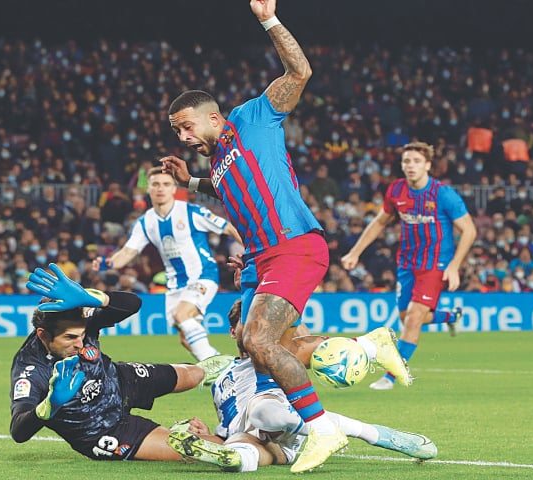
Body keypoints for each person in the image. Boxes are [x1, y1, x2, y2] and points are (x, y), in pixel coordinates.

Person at [160, 0, 345, 472]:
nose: (182, 136)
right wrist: (191, 184)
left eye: (186, 126)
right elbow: (229, 192)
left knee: (261, 342)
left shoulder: (253, 118)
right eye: (177, 130)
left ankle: (322, 430)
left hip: (293, 244)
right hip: (263, 257)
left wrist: (269, 19)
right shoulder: (216, 163)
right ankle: (359, 360)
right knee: (252, 343)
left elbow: (300, 72)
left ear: (213, 118)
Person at [166, 299, 436, 472]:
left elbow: (298, 331)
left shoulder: (275, 355)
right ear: (233, 331)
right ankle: (235, 460)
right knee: (237, 449)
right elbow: (194, 340)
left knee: (263, 411)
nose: (252, 330)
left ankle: (372, 432)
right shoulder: (218, 367)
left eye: (255, 325)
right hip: (260, 440)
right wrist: (207, 432)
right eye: (244, 325)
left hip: (277, 416)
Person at [10, 263, 240, 467]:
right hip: (102, 429)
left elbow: (133, 303)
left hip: (121, 380)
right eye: (70, 338)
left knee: (194, 373)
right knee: (205, 448)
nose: (80, 344)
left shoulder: (83, 321)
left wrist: (92, 298)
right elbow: (18, 431)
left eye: (82, 335)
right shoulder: (30, 369)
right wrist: (49, 405)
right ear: (42, 335)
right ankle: (221, 440)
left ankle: (241, 372)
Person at [341, 141, 476, 390]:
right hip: (408, 263)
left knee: (414, 319)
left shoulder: (443, 194)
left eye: (416, 161)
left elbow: (469, 229)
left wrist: (455, 265)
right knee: (408, 318)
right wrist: (355, 252)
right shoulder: (396, 190)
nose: (410, 166)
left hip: (435, 264)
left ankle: (392, 376)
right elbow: (380, 222)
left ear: (427, 165)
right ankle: (451, 316)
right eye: (406, 161)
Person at [93, 167, 241, 361]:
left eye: (166, 184)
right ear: (149, 189)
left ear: (173, 188)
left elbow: (229, 228)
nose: (160, 188)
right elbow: (128, 252)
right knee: (185, 339)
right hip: (175, 285)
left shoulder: (191, 212)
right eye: (155, 184)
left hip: (203, 275)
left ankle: (221, 367)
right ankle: (222, 366)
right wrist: (107, 263)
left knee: (183, 315)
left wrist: (252, 249)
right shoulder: (145, 222)